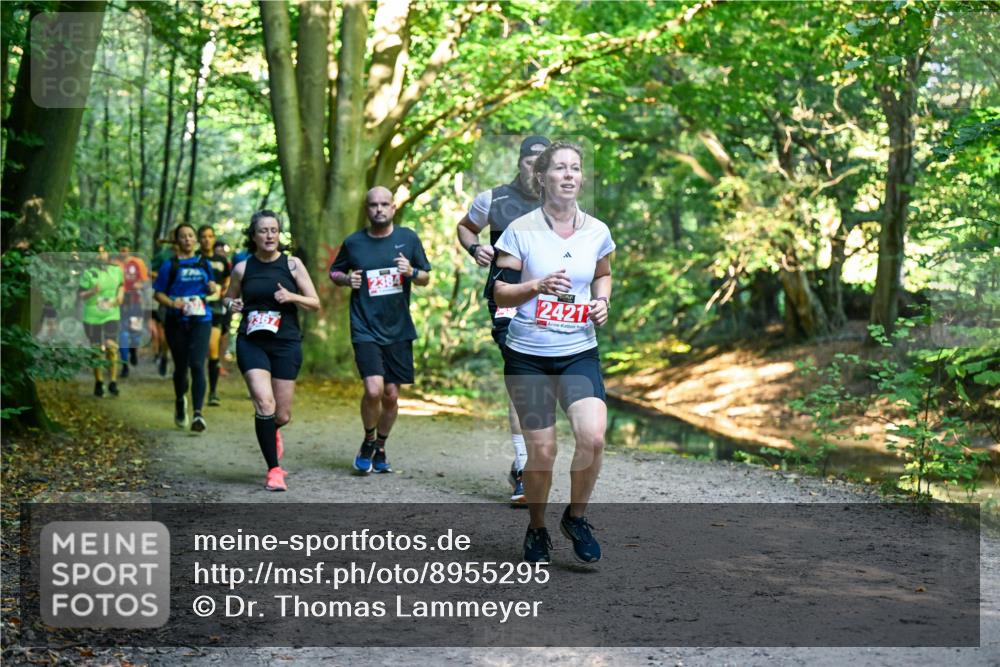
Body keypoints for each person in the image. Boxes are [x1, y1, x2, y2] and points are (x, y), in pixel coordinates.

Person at [493, 141, 614, 564]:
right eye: (559, 168)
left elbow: (603, 274)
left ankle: (576, 517)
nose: (568, 175)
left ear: (581, 178)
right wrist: (536, 286)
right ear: (541, 178)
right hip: (528, 354)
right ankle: (538, 528)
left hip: (578, 350)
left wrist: (603, 302)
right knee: (542, 451)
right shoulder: (520, 229)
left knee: (593, 437)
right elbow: (500, 292)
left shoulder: (597, 230)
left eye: (575, 168)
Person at [457, 134, 550, 506]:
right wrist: (474, 247)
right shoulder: (494, 199)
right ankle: (524, 468)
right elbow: (466, 227)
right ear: (520, 162)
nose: (538, 170)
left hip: (549, 302)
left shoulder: (560, 203)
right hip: (506, 300)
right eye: (532, 162)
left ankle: (525, 460)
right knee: (520, 373)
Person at [329, 186, 432, 475]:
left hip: (398, 328)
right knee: (373, 389)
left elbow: (425, 276)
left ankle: (381, 446)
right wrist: (347, 279)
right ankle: (368, 440)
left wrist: (410, 271)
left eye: (384, 204)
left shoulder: (407, 238)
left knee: (390, 395)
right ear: (367, 209)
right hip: (364, 326)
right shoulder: (354, 243)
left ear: (393, 208)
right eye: (373, 205)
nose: (379, 209)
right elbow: (334, 273)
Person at [224, 210, 319, 492]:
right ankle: (274, 470)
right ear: (253, 236)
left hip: (286, 342)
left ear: (279, 235)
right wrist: (232, 305)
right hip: (252, 341)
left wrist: (291, 297)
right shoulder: (243, 268)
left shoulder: (292, 265)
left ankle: (272, 430)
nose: (269, 235)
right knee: (264, 404)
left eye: (274, 230)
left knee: (281, 415)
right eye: (263, 231)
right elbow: (228, 297)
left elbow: (314, 302)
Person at [153, 224, 218, 432]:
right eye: (183, 237)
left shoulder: (204, 263)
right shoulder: (169, 265)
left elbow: (213, 288)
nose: (188, 239)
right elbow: (158, 293)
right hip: (176, 321)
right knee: (181, 368)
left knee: (198, 364)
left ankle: (198, 414)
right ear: (177, 241)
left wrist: (212, 288)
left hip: (201, 319)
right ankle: (180, 400)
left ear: (195, 240)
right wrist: (173, 304)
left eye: (191, 236)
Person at [78, 245, 125, 397]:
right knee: (96, 349)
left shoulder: (116, 270)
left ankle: (113, 381)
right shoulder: (88, 273)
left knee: (112, 347)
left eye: (103, 252)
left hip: (111, 313)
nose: (100, 255)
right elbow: (80, 295)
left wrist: (120, 295)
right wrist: (92, 291)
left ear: (107, 254)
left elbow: (122, 285)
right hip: (92, 315)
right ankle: (98, 382)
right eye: (97, 253)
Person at [197, 225, 232, 406]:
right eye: (203, 236)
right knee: (197, 352)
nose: (207, 240)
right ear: (199, 239)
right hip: (195, 309)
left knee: (212, 347)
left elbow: (227, 277)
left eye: (210, 236)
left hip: (216, 309)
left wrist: (224, 289)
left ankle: (212, 392)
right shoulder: (194, 258)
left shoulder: (221, 260)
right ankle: (196, 388)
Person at [116, 239, 149, 378]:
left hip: (135, 302)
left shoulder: (137, 262)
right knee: (122, 334)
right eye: (120, 247)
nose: (123, 249)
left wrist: (139, 286)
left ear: (129, 248)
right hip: (120, 304)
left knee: (135, 332)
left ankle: (133, 350)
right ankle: (124, 364)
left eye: (125, 247)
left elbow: (145, 280)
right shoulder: (114, 264)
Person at [150, 239, 176, 377]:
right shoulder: (163, 256)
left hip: (188, 304)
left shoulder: (195, 258)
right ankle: (165, 356)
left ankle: (180, 364)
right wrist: (160, 276)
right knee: (167, 333)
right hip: (166, 300)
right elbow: (149, 270)